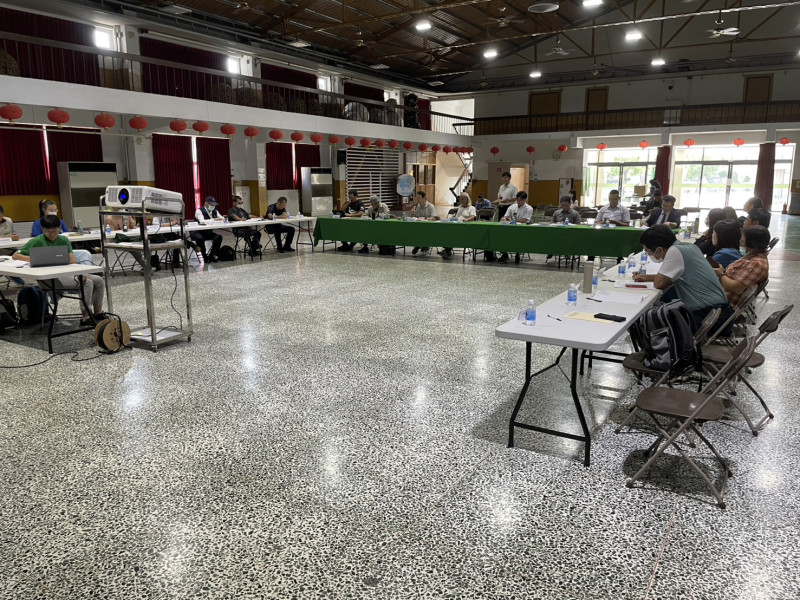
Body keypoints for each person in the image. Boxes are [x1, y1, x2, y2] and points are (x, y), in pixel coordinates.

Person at [633, 224, 732, 334]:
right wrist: (647, 277)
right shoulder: (689, 247)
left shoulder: (674, 251)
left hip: (707, 317)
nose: (649, 255)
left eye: (648, 251)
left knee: (646, 320)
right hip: (721, 313)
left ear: (659, 250)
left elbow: (659, 283)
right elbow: (672, 276)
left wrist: (652, 278)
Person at [12, 214, 106, 326]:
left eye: (54, 231)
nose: (51, 234)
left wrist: (79, 273)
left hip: (65, 273)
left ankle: (97, 313)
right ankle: (86, 317)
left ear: (59, 228)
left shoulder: (63, 240)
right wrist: (35, 259)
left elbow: (72, 260)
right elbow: (15, 256)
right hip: (48, 277)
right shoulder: (37, 241)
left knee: (99, 280)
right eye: (47, 231)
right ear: (42, 229)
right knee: (86, 283)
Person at [713, 225, 770, 307]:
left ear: (753, 245)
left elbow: (736, 288)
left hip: (720, 303)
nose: (740, 244)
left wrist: (721, 274)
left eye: (742, 242)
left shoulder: (756, 264)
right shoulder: (751, 257)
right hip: (717, 295)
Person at [498, 191, 533, 264]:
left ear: (525, 200)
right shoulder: (512, 206)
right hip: (510, 228)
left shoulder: (529, 208)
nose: (518, 201)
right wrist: (505, 219)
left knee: (518, 237)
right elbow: (505, 217)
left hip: (523, 229)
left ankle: (518, 254)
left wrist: (512, 220)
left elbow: (524, 220)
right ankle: (504, 254)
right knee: (500, 235)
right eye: (517, 199)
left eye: (521, 200)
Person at [441, 193, 476, 260]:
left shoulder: (472, 208)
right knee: (447, 232)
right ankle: (447, 250)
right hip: (457, 226)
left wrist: (467, 220)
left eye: (463, 199)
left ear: (467, 199)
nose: (462, 200)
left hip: (466, 228)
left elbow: (473, 217)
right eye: (461, 199)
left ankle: (447, 251)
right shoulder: (460, 207)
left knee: (452, 234)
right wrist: (454, 216)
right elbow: (458, 216)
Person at [191, 196, 224, 262]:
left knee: (218, 237)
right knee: (200, 238)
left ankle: (212, 255)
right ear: (206, 204)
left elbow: (222, 218)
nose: (213, 206)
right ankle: (204, 256)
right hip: (197, 232)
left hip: (207, 232)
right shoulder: (199, 211)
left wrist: (221, 219)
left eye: (214, 205)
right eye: (211, 205)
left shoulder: (215, 211)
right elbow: (202, 221)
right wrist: (214, 220)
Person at [411, 191, 438, 256]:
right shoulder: (417, 207)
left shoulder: (430, 206)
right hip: (419, 227)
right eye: (417, 198)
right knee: (414, 230)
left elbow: (434, 218)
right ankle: (418, 245)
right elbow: (415, 217)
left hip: (429, 227)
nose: (418, 200)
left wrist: (426, 219)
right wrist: (412, 213)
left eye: (419, 198)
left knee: (425, 232)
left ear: (424, 198)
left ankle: (423, 246)